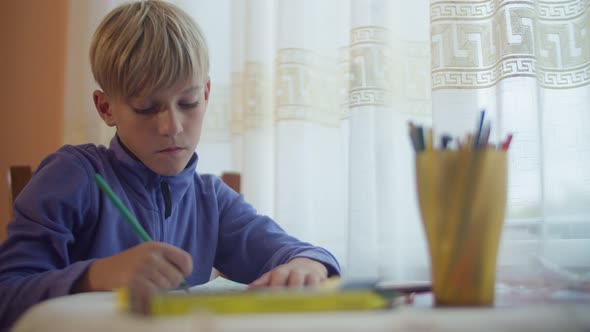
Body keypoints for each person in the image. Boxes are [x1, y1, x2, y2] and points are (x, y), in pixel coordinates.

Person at [0, 1, 340, 330]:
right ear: (106, 108)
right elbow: (7, 294)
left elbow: (298, 252)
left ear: (206, 94)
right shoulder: (73, 176)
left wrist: (307, 265)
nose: (172, 127)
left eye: (188, 102)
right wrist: (97, 275)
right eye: (147, 107)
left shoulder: (212, 200)